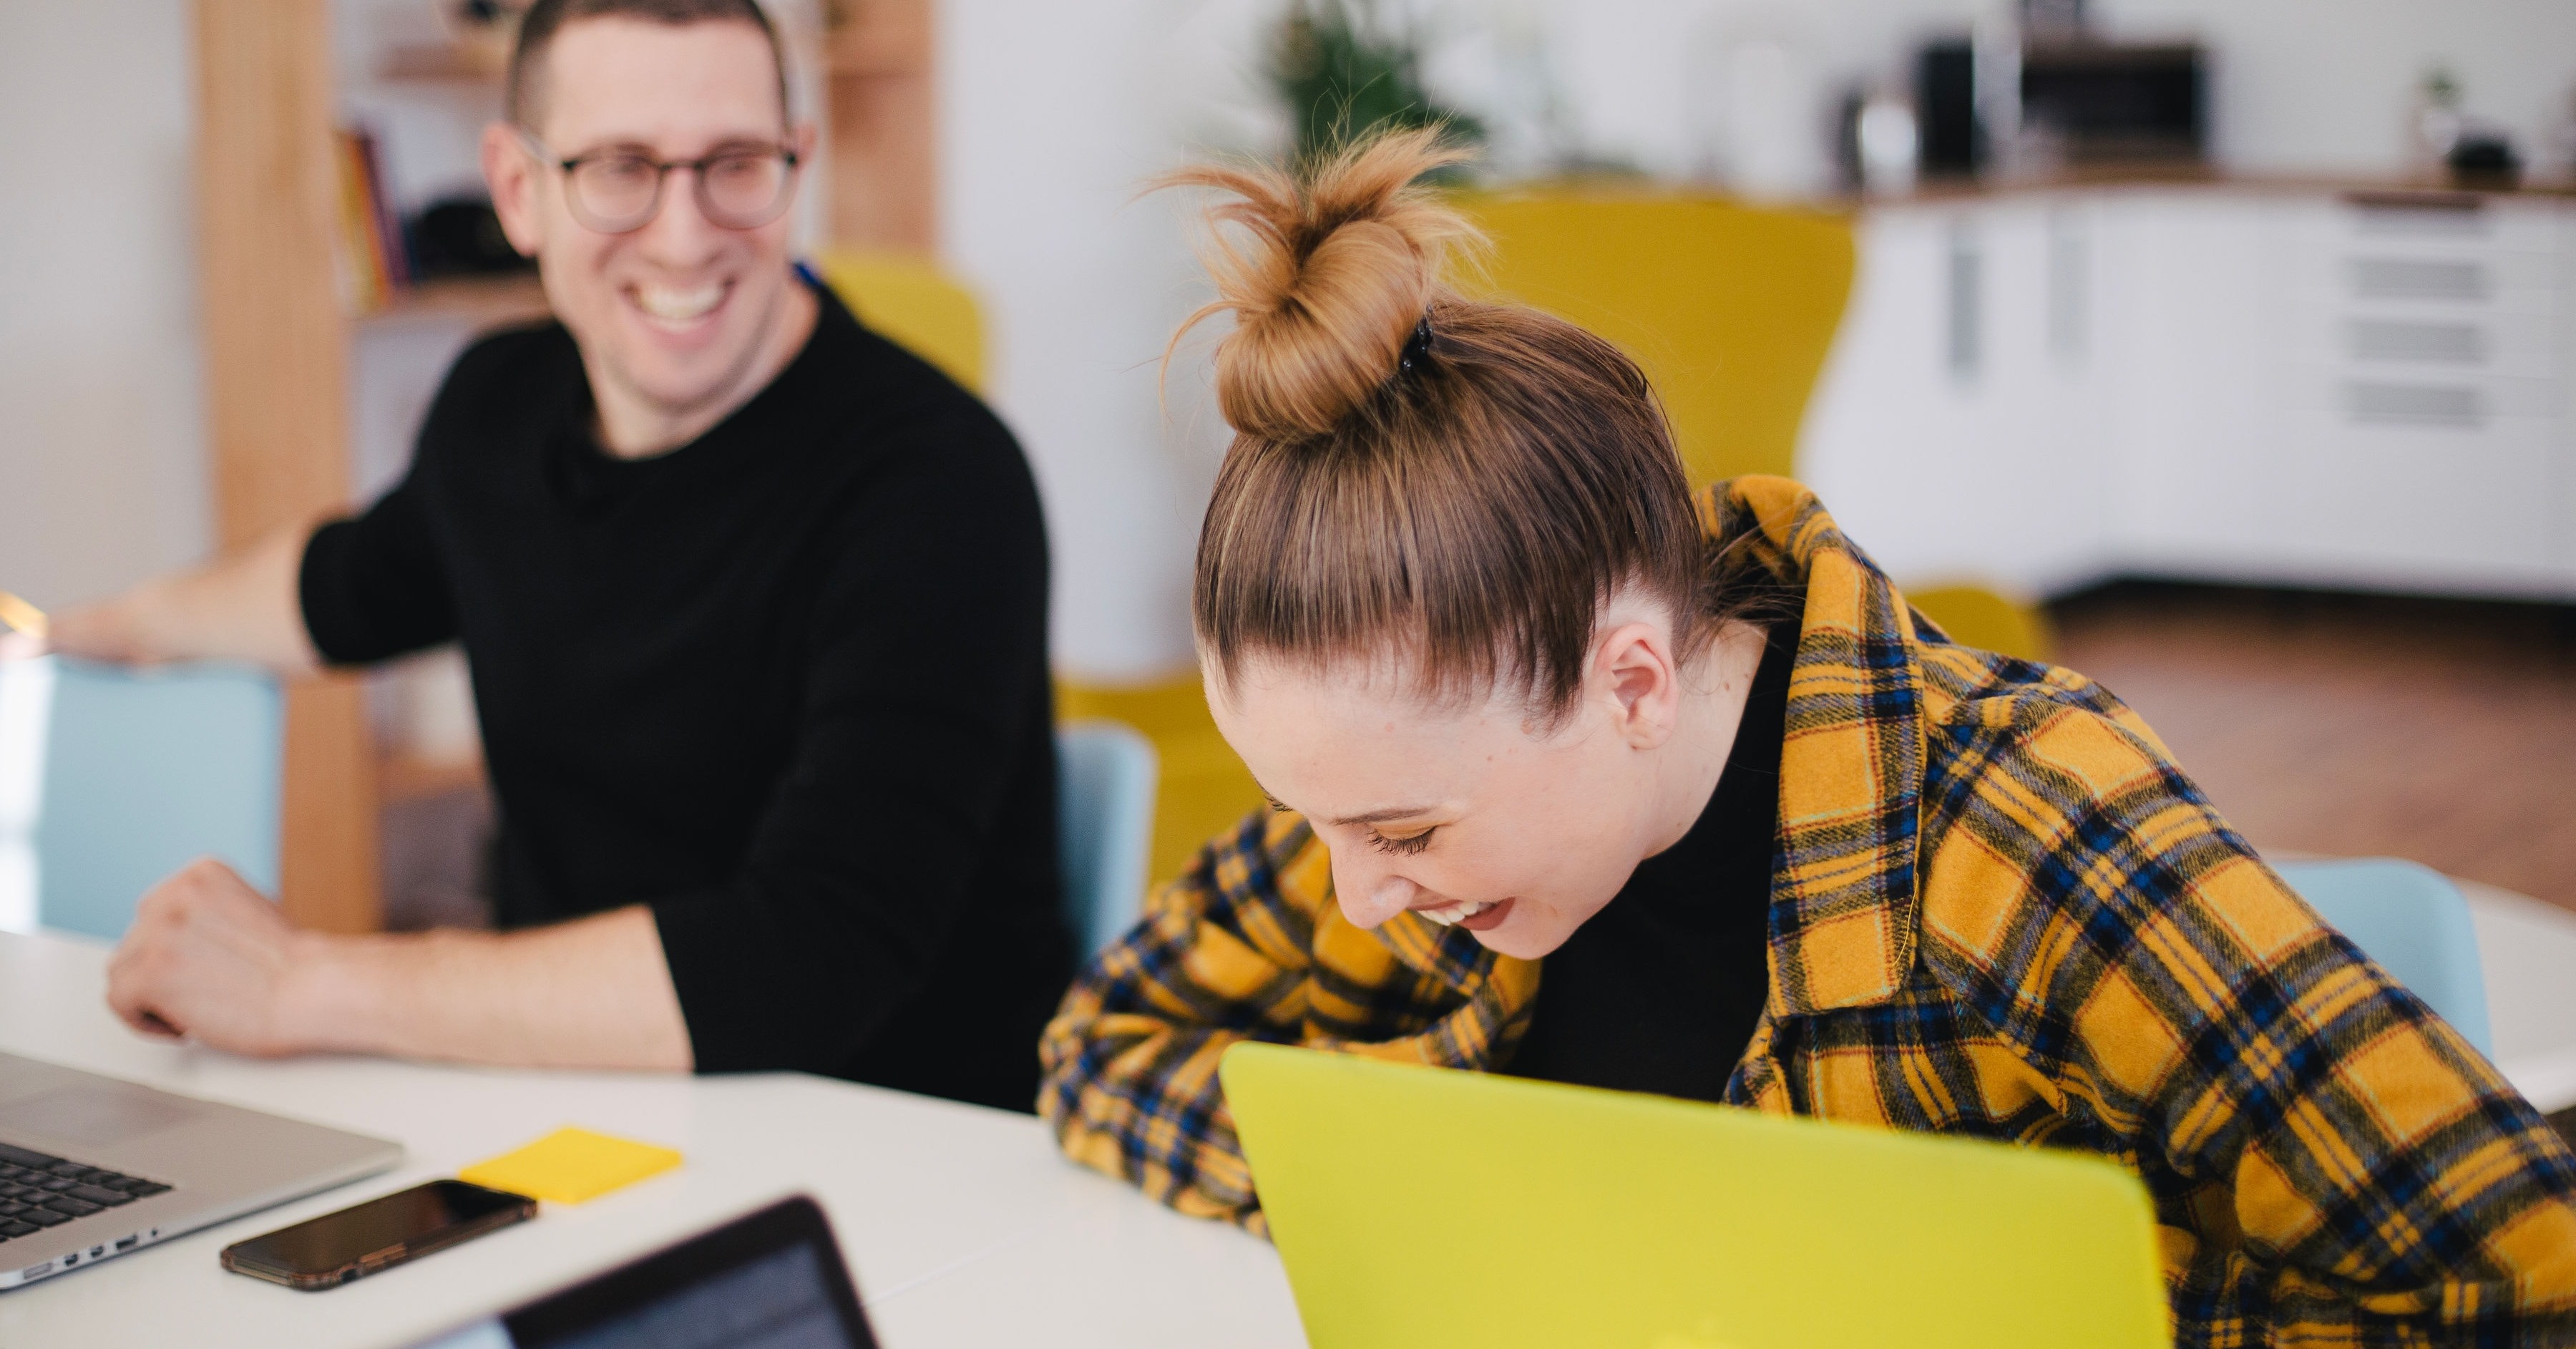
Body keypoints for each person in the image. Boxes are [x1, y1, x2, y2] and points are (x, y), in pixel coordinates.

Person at [1038, 129, 2576, 1342]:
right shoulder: (1414, 803)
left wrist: (1988, 1304)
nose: (1355, 890)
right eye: (1314, 818)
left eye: (1402, 834)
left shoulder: (2024, 829)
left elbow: (2520, 1282)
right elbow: (1103, 1050)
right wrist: (1443, 1196)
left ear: (1632, 679)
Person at [43, 0, 1070, 1111]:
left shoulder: (940, 482)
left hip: (897, 1160)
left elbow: (807, 959)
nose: (683, 235)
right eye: (619, 168)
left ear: (797, 165)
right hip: (568, 1111)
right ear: (519, 190)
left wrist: (303, 982)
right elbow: (343, 586)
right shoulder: (500, 405)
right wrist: (98, 627)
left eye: (733, 165)